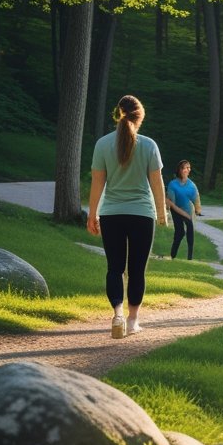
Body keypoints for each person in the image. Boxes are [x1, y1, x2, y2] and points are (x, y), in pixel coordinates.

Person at [86, 95, 168, 338]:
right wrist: (162, 214)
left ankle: (117, 315)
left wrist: (92, 214)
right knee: (137, 270)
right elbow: (157, 183)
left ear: (116, 115)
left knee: (115, 268)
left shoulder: (102, 144)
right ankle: (132, 321)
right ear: (140, 117)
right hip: (142, 214)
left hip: (111, 214)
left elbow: (97, 183)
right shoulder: (149, 145)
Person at [165, 160, 202, 260]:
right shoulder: (173, 184)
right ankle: (173, 255)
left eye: (188, 168)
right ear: (179, 170)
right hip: (176, 210)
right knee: (179, 232)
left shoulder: (191, 185)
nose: (186, 170)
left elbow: (196, 197)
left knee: (190, 228)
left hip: (187, 211)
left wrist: (198, 209)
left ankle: (190, 257)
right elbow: (170, 200)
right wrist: (168, 207)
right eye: (184, 168)